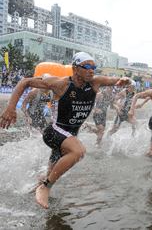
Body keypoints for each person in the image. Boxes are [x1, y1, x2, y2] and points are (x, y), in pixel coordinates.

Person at [0, 52, 132, 209]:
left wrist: (124, 80)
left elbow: (116, 80)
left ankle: (28, 194)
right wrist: (10, 107)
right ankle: (45, 187)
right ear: (75, 68)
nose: (92, 70)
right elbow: (25, 82)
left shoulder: (96, 82)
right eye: (87, 67)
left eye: (94, 67)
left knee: (49, 174)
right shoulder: (60, 84)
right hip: (54, 132)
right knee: (79, 152)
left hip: (68, 137)